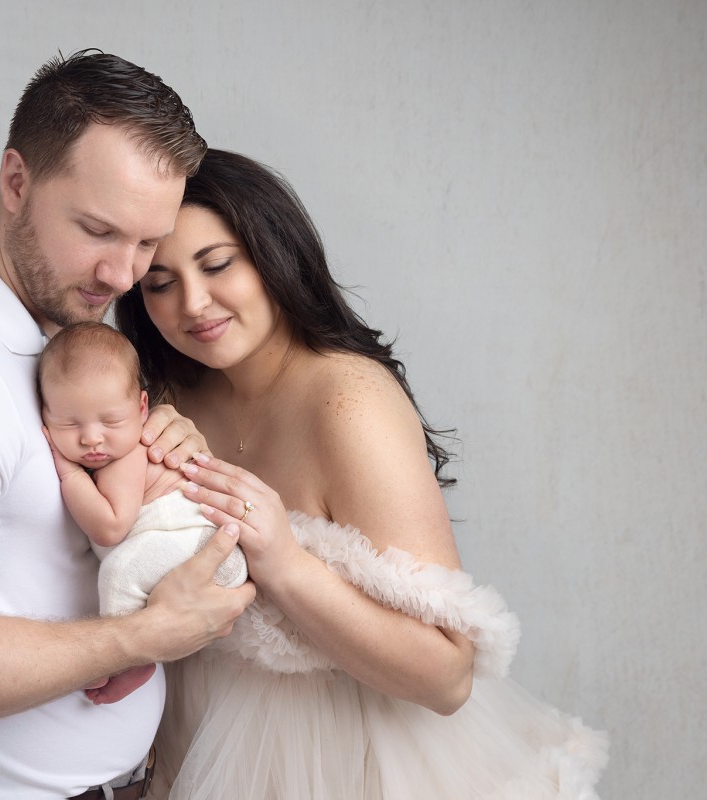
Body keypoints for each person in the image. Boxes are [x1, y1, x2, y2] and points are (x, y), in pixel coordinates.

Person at [114, 149, 609, 798]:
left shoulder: (349, 403)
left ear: (272, 254)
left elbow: (447, 677)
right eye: (160, 283)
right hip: (198, 737)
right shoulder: (168, 394)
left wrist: (283, 561)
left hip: (348, 758)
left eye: (217, 265)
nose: (193, 303)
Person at [0, 53, 254, 800]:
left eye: (147, 242)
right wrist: (139, 637)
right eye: (99, 230)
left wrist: (160, 453)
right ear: (16, 182)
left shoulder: (55, 343)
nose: (125, 276)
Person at [37, 322, 248, 705]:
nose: (92, 438)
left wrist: (68, 472)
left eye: (111, 421)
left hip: (204, 550)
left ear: (141, 408)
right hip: (187, 550)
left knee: (119, 571)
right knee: (123, 567)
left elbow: (110, 527)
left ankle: (129, 659)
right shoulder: (107, 448)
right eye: (68, 424)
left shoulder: (129, 455)